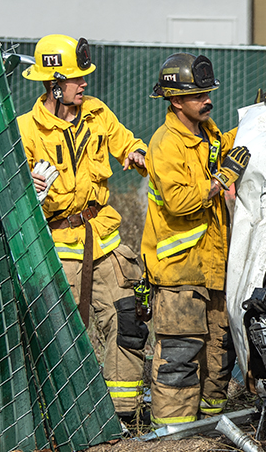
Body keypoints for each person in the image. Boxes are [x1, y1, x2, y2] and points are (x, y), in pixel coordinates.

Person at [16, 33, 148, 421]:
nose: (84, 83)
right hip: (56, 247)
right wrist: (26, 182)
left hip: (104, 240)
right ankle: (59, 418)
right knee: (55, 335)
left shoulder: (97, 113)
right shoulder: (26, 129)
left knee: (128, 320)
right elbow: (12, 189)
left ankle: (122, 415)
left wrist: (136, 152)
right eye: (76, 78)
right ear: (54, 85)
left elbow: (126, 142)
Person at [142, 53, 248, 427]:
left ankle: (209, 428)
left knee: (219, 353)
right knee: (180, 355)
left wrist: (260, 119)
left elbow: (224, 148)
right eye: (198, 95)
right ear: (175, 100)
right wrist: (221, 179)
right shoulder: (165, 144)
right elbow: (180, 201)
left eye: (208, 92)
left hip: (213, 268)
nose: (207, 100)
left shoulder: (207, 133)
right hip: (179, 274)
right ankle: (173, 435)